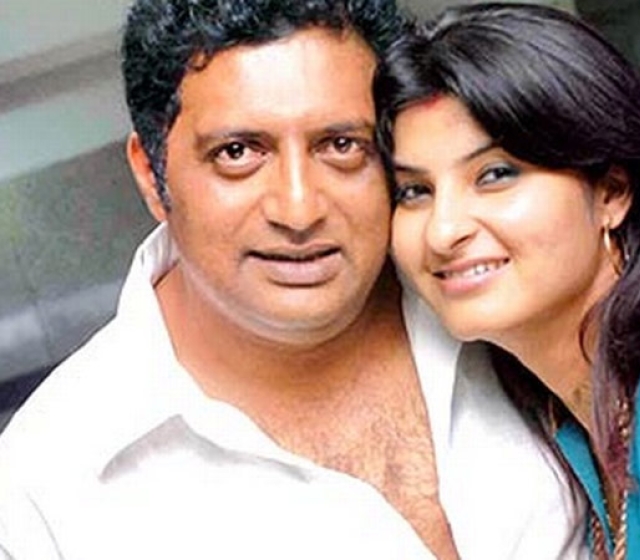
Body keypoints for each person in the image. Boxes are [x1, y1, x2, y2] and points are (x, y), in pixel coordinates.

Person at [0, 1, 588, 559]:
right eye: (237, 153)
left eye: (341, 145)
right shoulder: (42, 489)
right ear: (152, 177)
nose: (299, 209)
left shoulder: (509, 301)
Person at [375, 3, 640, 559]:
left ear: (611, 192)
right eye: (414, 191)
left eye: (495, 175)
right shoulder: (569, 418)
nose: (443, 231)